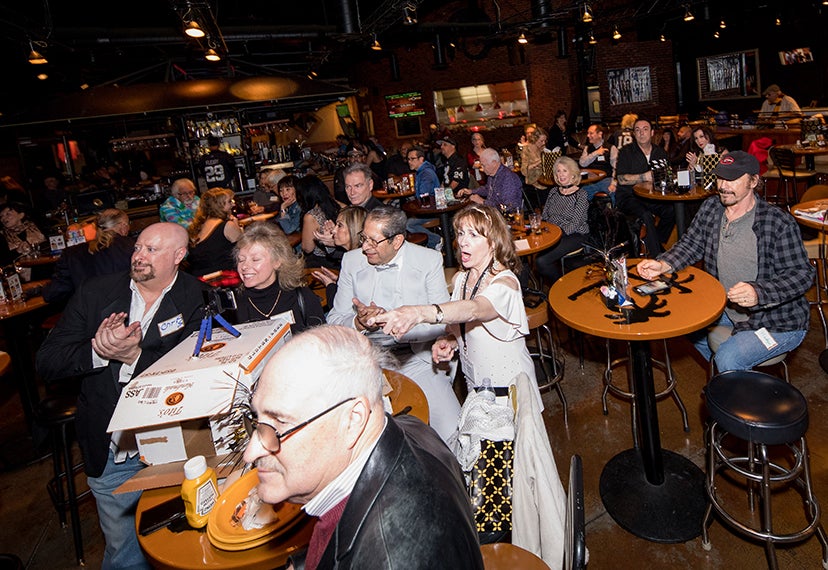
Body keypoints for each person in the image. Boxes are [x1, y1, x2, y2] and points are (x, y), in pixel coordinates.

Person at [241, 325, 484, 570]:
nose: (250, 453)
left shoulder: (390, 560)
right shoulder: (409, 426)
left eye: (278, 425)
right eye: (257, 422)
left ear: (353, 420)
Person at [36, 222, 206, 570]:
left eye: (152, 250)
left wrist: (134, 358)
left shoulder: (195, 296)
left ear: (179, 256)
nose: (139, 256)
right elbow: (47, 361)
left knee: (187, 543)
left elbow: (195, 374)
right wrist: (100, 352)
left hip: (175, 442)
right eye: (138, 248)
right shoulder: (95, 292)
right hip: (114, 450)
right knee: (125, 554)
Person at [636, 151, 813, 372]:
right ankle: (727, 381)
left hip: (776, 320)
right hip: (726, 309)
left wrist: (759, 292)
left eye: (733, 179)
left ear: (753, 181)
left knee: (728, 358)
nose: (723, 185)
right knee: (683, 324)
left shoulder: (777, 222)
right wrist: (664, 264)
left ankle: (734, 388)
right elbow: (691, 244)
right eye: (720, 177)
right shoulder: (712, 208)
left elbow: (802, 274)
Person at [369, 204, 544, 413]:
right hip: (476, 385)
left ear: (494, 243)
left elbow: (476, 309)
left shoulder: (506, 283)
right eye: (461, 233)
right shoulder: (462, 278)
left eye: (473, 235)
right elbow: (464, 323)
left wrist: (419, 313)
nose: (462, 241)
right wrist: (450, 340)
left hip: (509, 388)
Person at [326, 206, 459, 442]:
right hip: (368, 362)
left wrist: (403, 323)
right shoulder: (352, 261)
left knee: (452, 429)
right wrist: (359, 321)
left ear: (397, 241)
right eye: (364, 238)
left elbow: (443, 322)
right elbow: (334, 321)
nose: (365, 247)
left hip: (416, 358)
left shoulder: (428, 260)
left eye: (374, 241)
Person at [231, 222, 324, 332]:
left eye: (255, 259)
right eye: (241, 260)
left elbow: (322, 342)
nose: (244, 266)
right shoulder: (233, 307)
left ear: (278, 261)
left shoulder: (301, 296)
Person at [43, 208, 135, 305]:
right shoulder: (135, 248)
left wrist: (40, 289)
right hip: (126, 313)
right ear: (123, 227)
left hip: (88, 316)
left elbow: (54, 292)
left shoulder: (72, 253)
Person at [615, 117, 676, 256]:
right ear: (634, 134)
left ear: (652, 133)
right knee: (645, 215)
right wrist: (645, 176)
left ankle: (656, 241)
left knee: (672, 210)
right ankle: (657, 255)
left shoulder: (660, 152)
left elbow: (666, 176)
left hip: (651, 196)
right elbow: (621, 179)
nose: (641, 133)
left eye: (645, 129)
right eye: (637, 130)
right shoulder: (626, 152)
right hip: (628, 196)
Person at [534, 157, 590, 285]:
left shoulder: (581, 194)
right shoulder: (553, 191)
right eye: (558, 171)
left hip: (575, 235)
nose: (561, 174)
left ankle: (560, 287)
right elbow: (545, 216)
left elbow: (574, 224)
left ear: (573, 174)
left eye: (565, 170)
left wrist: (554, 235)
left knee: (542, 261)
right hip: (553, 233)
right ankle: (560, 285)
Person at [311, 205, 367, 305]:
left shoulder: (354, 260)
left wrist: (330, 285)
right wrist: (339, 281)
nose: (333, 230)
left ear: (353, 229)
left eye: (339, 225)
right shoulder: (360, 254)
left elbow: (339, 306)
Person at [186, 187, 243, 276]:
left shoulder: (197, 227)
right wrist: (236, 226)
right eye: (229, 202)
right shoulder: (227, 226)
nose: (233, 205)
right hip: (225, 278)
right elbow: (245, 250)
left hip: (201, 279)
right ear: (219, 206)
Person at [296, 174, 343, 269]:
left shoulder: (311, 215)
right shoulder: (340, 205)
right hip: (342, 257)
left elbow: (307, 248)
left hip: (322, 261)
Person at [457, 148, 523, 212]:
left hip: (506, 218)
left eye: (483, 165)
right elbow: (488, 189)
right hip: (492, 213)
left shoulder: (508, 178)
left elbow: (509, 207)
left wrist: (483, 202)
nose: (482, 168)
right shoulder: (492, 174)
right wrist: (472, 191)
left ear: (494, 163)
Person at [405, 145, 442, 249]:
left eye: (412, 159)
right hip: (428, 209)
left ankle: (436, 241)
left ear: (421, 159)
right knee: (406, 221)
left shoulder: (426, 174)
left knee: (409, 224)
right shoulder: (422, 171)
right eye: (408, 159)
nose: (409, 161)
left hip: (432, 211)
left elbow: (423, 195)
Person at [579, 123, 617, 202]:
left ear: (600, 134)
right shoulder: (587, 148)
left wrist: (613, 183)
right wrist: (596, 153)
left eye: (591, 133)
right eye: (588, 133)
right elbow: (582, 163)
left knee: (614, 192)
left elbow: (616, 168)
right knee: (579, 196)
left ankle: (615, 212)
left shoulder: (611, 148)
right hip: (590, 182)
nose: (588, 136)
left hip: (606, 180)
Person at [521, 126, 550, 207]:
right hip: (534, 183)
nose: (544, 143)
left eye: (545, 140)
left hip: (545, 180)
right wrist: (537, 163)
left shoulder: (542, 148)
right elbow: (524, 171)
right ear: (534, 139)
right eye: (541, 141)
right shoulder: (527, 149)